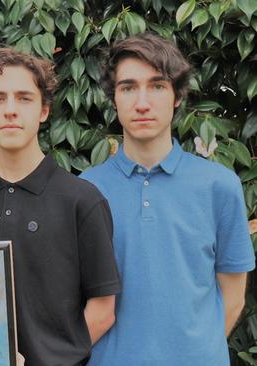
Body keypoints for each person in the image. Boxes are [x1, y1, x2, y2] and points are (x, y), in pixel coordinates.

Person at [80, 32, 256, 366]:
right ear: (113, 98)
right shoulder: (85, 190)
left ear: (177, 96)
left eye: (157, 85)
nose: (142, 102)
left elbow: (233, 298)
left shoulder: (220, 186)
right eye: (128, 87)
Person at [0, 47, 121, 366]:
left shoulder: (82, 200)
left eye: (24, 98)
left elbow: (102, 310)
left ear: (44, 110)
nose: (11, 110)